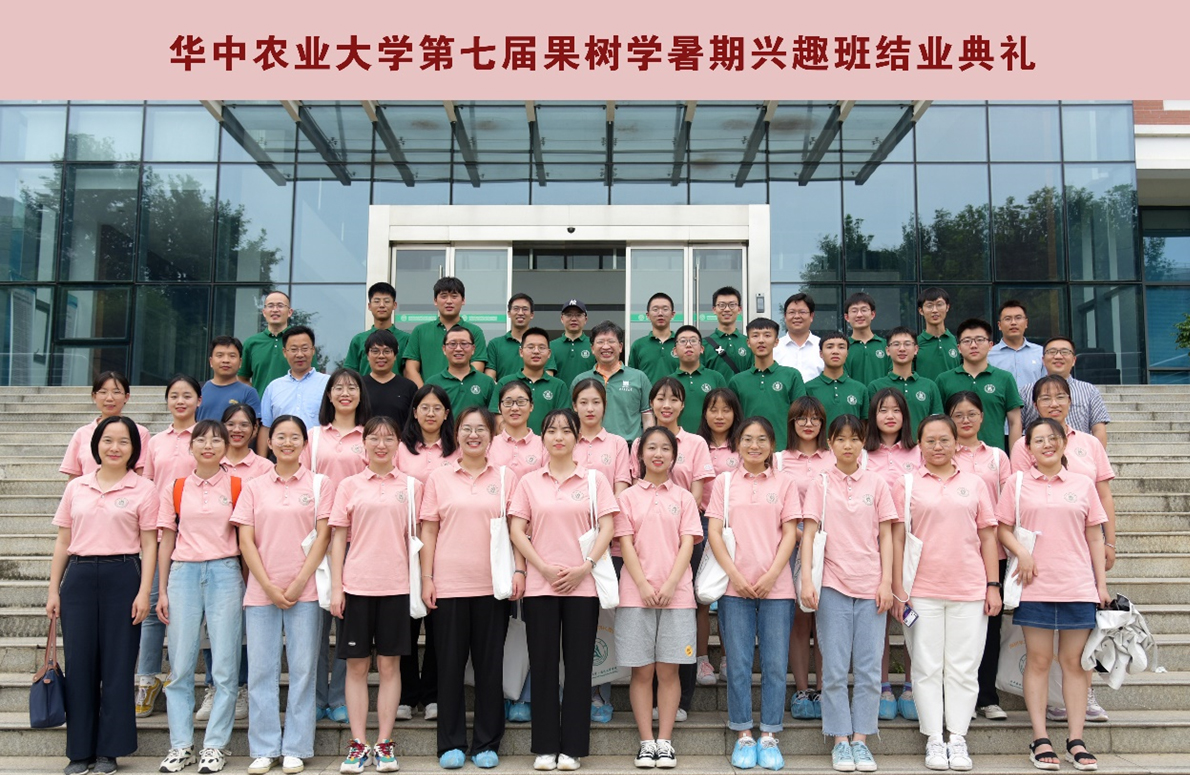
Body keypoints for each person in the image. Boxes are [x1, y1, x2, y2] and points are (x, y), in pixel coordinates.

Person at [996, 418, 1111, 773]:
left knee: (1075, 663)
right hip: (1034, 585)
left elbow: (1094, 536)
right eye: (1038, 440)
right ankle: (1040, 738)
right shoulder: (1017, 483)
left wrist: (1100, 584)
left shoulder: (1083, 484)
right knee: (1039, 660)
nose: (1046, 444)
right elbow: (1002, 529)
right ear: (1027, 448)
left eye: (1053, 438)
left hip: (1077, 584)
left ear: (1063, 443)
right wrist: (1023, 553)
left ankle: (1076, 740)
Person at [508, 408, 618, 773]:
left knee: (579, 667)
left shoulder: (594, 480)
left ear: (576, 438)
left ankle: (572, 748)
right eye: (552, 430)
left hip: (582, 586)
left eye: (566, 431)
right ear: (543, 437)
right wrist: (540, 566)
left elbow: (607, 527)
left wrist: (585, 566)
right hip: (540, 586)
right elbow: (516, 530)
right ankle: (544, 747)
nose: (559, 436)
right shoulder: (529, 482)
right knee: (541, 666)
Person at [47, 416, 157, 775]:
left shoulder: (144, 489)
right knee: (80, 666)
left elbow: (149, 545)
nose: (114, 447)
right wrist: (53, 589)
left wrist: (144, 592)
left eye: (123, 441)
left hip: (123, 575)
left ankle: (110, 750)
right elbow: (63, 540)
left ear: (134, 449)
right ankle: (79, 750)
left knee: (118, 666)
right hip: (78, 578)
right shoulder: (77, 487)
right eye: (107, 440)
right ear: (96, 445)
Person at [891, 415, 1001, 772]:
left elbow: (988, 537)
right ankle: (934, 738)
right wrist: (899, 589)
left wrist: (993, 585)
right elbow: (897, 539)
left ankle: (957, 736)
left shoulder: (975, 483)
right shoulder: (906, 484)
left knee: (963, 668)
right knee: (926, 667)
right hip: (921, 589)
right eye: (930, 441)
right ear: (919, 445)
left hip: (969, 589)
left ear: (956, 443)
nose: (937, 447)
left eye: (944, 440)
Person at [421, 406, 524, 770]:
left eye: (481, 429)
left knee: (489, 667)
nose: (474, 435)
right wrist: (427, 577)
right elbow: (429, 529)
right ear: (456, 433)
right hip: (448, 585)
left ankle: (486, 743)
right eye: (466, 428)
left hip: (492, 586)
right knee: (449, 667)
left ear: (492, 436)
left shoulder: (507, 477)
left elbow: (517, 529)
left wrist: (520, 570)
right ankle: (450, 743)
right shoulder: (439, 477)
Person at [1011, 375, 1118, 724]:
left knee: (1076, 655)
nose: (1053, 403)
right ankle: (1046, 717)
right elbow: (1014, 508)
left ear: (1072, 402)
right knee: (1040, 656)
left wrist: (1109, 543)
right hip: (1037, 568)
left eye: (1060, 396)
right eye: (1045, 398)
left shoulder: (1088, 446)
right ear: (1034, 405)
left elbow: (1102, 498)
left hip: (1078, 563)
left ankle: (1081, 709)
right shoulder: (1022, 451)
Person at [232, 415, 333, 775]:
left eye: (294, 437)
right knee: (262, 671)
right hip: (262, 591)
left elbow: (323, 537)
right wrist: (268, 585)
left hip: (305, 590)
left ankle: (296, 747)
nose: (287, 443)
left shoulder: (320, 484)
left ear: (305, 444)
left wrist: (298, 582)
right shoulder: (254, 486)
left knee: (304, 670)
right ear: (269, 442)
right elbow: (245, 540)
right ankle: (264, 747)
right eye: (280, 437)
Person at [800, 415, 897, 775]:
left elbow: (886, 536)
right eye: (840, 439)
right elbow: (809, 534)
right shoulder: (821, 483)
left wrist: (887, 582)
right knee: (835, 668)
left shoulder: (877, 482)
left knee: (869, 670)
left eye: (854, 439)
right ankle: (840, 739)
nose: (847, 445)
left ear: (862, 442)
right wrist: (807, 581)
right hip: (832, 584)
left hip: (871, 585)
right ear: (830, 443)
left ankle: (861, 739)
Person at [706, 416, 799, 771]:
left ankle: (770, 734)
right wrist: (735, 575)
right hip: (734, 588)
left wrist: (773, 574)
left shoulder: (785, 482)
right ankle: (744, 733)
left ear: (772, 445)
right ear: (737, 444)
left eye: (762, 439)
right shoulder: (725, 482)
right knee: (739, 663)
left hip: (778, 587)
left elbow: (790, 532)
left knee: (775, 664)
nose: (754, 445)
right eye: (747, 439)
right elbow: (715, 532)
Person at [155, 420, 245, 775]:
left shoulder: (238, 486)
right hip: (184, 574)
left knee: (224, 666)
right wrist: (162, 589)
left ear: (226, 446)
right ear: (190, 446)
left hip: (225, 571)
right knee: (180, 666)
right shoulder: (176, 488)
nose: (209, 446)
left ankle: (214, 745)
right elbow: (166, 538)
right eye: (201, 440)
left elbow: (246, 540)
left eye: (216, 440)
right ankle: (180, 745)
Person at [329, 416, 414, 775]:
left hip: (397, 586)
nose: (381, 445)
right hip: (357, 586)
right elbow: (338, 539)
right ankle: (358, 742)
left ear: (398, 444)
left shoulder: (412, 486)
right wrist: (337, 586)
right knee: (357, 666)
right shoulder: (349, 486)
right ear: (363, 444)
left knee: (390, 666)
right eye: (374, 438)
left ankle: (384, 742)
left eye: (389, 438)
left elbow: (418, 539)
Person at [628, 378, 716, 723]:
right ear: (651, 403)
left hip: (685, 531)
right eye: (660, 398)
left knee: (683, 613)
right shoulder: (640, 442)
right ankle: (650, 700)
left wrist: (678, 517)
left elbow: (696, 493)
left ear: (683, 404)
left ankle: (682, 699)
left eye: (674, 399)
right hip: (647, 532)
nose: (667, 405)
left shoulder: (695, 443)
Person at [616, 426, 703, 770]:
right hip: (634, 595)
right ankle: (646, 742)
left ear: (674, 456)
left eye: (665, 448)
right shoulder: (626, 498)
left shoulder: (684, 498)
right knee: (641, 672)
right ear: (640, 454)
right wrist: (643, 584)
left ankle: (665, 742)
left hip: (677, 596)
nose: (658, 454)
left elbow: (687, 543)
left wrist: (669, 585)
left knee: (669, 671)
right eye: (651, 447)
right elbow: (625, 543)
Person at [300, 368, 372, 725]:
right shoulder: (313, 437)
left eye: (352, 387)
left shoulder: (370, 435)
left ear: (361, 394)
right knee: (315, 626)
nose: (345, 392)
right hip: (318, 539)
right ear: (328, 395)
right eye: (338, 387)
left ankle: (341, 696)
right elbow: (300, 482)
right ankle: (315, 697)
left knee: (348, 626)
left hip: (359, 540)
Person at [137, 374, 203, 719]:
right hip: (161, 535)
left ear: (199, 401)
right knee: (152, 610)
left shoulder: (206, 437)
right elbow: (147, 485)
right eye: (174, 395)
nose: (180, 401)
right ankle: (146, 679)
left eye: (187, 395)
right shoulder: (155, 442)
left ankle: (185, 680)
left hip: (196, 537)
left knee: (194, 616)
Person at [945, 392, 1013, 723]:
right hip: (954, 551)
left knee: (989, 626)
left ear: (983, 417)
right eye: (958, 415)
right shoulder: (944, 453)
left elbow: (1008, 503)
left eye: (972, 414)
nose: (966, 420)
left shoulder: (998, 457)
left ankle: (987, 697)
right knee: (956, 630)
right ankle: (959, 698)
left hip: (992, 551)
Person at [395, 385, 459, 722]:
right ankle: (407, 695)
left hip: (447, 544)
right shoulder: (400, 449)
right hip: (404, 543)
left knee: (438, 624)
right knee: (405, 623)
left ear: (447, 414)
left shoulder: (457, 449)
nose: (430, 413)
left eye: (437, 408)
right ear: (415, 412)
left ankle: (433, 694)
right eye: (424, 407)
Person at [781, 396, 834, 720]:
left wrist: (816, 538)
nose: (808, 423)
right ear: (792, 422)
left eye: (815, 418)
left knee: (826, 619)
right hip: (793, 543)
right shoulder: (780, 459)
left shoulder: (834, 456)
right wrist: (802, 537)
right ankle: (802, 690)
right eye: (802, 418)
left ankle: (827, 690)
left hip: (831, 545)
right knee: (800, 619)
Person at [694, 388, 744, 684]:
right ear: (705, 413)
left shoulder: (743, 445)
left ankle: (727, 658)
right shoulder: (697, 445)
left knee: (729, 592)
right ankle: (702, 660)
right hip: (702, 522)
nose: (720, 415)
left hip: (733, 526)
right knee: (702, 593)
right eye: (713, 409)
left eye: (726, 409)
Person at [934, 318, 1023, 453]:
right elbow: (938, 422)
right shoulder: (944, 379)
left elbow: (1014, 422)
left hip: (994, 456)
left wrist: (1015, 458)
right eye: (967, 341)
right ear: (959, 348)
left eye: (980, 340)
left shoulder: (1005, 378)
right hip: (954, 456)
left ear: (990, 345)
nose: (973, 345)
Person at [728, 317, 806, 451]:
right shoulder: (737, 381)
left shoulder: (792, 376)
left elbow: (801, 416)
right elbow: (732, 421)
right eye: (755, 336)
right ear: (748, 342)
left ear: (776, 342)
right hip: (749, 452)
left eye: (767, 335)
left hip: (785, 451)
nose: (761, 340)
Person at [570, 320, 653, 444]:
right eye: (600, 342)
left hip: (629, 447)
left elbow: (647, 417)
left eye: (611, 341)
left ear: (620, 347)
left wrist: (647, 445)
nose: (605, 347)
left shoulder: (639, 377)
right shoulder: (580, 380)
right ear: (592, 348)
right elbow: (573, 419)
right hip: (590, 446)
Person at [1019, 337, 1111, 447]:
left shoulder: (1089, 391)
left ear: (1074, 360)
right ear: (1043, 360)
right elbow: (1017, 427)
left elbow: (1098, 428)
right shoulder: (1027, 391)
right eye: (1052, 352)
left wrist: (1097, 456)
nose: (1058, 356)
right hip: (1039, 454)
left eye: (1065, 352)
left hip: (1079, 453)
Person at [60, 371, 151, 480]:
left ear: (126, 397)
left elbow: (141, 475)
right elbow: (74, 477)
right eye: (103, 392)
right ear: (94, 396)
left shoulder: (140, 432)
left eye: (116, 392)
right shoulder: (82, 433)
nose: (109, 398)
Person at [258, 325, 332, 456]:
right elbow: (266, 427)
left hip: (320, 456)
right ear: (284, 352)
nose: (299, 354)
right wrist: (262, 462)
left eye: (305, 349)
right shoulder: (274, 387)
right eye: (293, 349)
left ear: (313, 350)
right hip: (282, 456)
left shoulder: (328, 383)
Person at [404, 277, 487, 387]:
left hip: (464, 394)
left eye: (454, 296)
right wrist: (427, 393)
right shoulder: (420, 331)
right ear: (435, 301)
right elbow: (411, 368)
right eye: (443, 296)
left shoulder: (475, 331)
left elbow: (477, 366)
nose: (449, 301)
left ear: (463, 300)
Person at [490, 327, 569, 434]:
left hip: (547, 444)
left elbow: (564, 422)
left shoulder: (559, 386)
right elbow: (497, 419)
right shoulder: (504, 383)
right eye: (530, 347)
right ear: (521, 352)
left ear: (549, 353)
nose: (536, 351)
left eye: (541, 347)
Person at [868, 326, 943, 434]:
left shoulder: (929, 386)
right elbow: (871, 425)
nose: (902, 349)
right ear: (887, 350)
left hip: (920, 444)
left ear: (916, 349)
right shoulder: (876, 386)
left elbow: (938, 424)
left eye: (907, 344)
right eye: (896, 344)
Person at [343, 281, 411, 378]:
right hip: (366, 388)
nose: (382, 305)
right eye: (377, 301)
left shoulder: (407, 339)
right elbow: (349, 374)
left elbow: (410, 372)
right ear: (369, 306)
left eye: (386, 301)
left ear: (394, 305)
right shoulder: (358, 340)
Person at [485, 294, 558, 380]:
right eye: (516, 309)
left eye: (525, 309)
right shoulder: (495, 344)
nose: (520, 313)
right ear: (509, 313)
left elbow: (548, 377)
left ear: (532, 314)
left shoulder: (542, 345)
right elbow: (490, 378)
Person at [425, 326, 497, 413]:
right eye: (452, 344)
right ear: (444, 349)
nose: (458, 349)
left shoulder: (487, 382)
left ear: (473, 349)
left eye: (464, 344)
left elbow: (494, 416)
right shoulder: (433, 383)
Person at [804, 332, 870, 426]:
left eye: (841, 347)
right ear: (821, 353)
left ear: (847, 353)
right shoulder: (808, 388)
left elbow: (864, 425)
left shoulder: (860, 389)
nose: (835, 351)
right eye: (829, 347)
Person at [671, 324, 727, 434]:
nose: (688, 345)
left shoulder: (716, 377)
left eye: (693, 341)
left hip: (709, 440)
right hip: (677, 440)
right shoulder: (669, 381)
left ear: (702, 349)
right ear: (675, 351)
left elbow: (726, 411)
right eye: (682, 341)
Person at [238, 290, 293, 398]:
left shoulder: (300, 341)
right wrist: (255, 397)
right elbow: (242, 378)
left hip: (292, 406)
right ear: (264, 312)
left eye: (280, 305)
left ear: (290, 312)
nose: (275, 310)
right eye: (270, 306)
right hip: (260, 406)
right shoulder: (251, 343)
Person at [361, 329, 417, 430]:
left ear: (395, 356)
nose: (381, 356)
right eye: (375, 351)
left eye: (387, 351)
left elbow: (414, 424)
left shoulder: (409, 387)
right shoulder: (359, 386)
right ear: (367, 356)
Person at [197, 336, 262, 422]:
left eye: (232, 356)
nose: (226, 360)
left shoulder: (249, 393)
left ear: (240, 362)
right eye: (220, 355)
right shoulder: (198, 390)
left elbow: (254, 426)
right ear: (211, 361)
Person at [489, 381, 546, 475]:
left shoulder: (543, 445)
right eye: (508, 402)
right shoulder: (489, 445)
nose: (514, 408)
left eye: (521, 402)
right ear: (499, 408)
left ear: (531, 406)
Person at [988, 300, 1045, 389]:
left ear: (1026, 323)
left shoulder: (1041, 353)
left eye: (1018, 318)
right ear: (999, 325)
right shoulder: (989, 355)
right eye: (1008, 319)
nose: (1013, 323)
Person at [629, 292, 682, 384]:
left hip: (677, 393)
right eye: (655, 309)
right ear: (648, 315)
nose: (660, 313)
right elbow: (632, 378)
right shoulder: (638, 345)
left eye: (665, 309)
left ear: (672, 314)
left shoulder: (682, 344)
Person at [773, 292, 823, 382]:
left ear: (811, 316)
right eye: (792, 312)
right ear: (785, 316)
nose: (796, 316)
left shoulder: (823, 346)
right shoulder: (774, 348)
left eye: (802, 312)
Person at [843, 292, 891, 385]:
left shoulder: (886, 346)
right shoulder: (842, 348)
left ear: (873, 314)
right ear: (847, 317)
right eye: (854, 311)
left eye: (864, 310)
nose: (859, 315)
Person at [914, 288, 961, 382]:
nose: (935, 310)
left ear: (947, 307)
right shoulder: (915, 344)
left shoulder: (958, 342)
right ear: (921, 311)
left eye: (939, 304)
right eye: (929, 306)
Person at [705, 286, 753, 375]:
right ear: (714, 310)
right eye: (721, 305)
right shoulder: (704, 344)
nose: (727, 309)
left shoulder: (749, 343)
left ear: (739, 309)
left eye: (732, 305)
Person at [550, 299, 595, 387]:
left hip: (588, 394)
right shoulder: (551, 346)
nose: (573, 319)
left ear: (586, 319)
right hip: (560, 395)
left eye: (578, 315)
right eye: (568, 315)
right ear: (562, 319)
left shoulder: (594, 345)